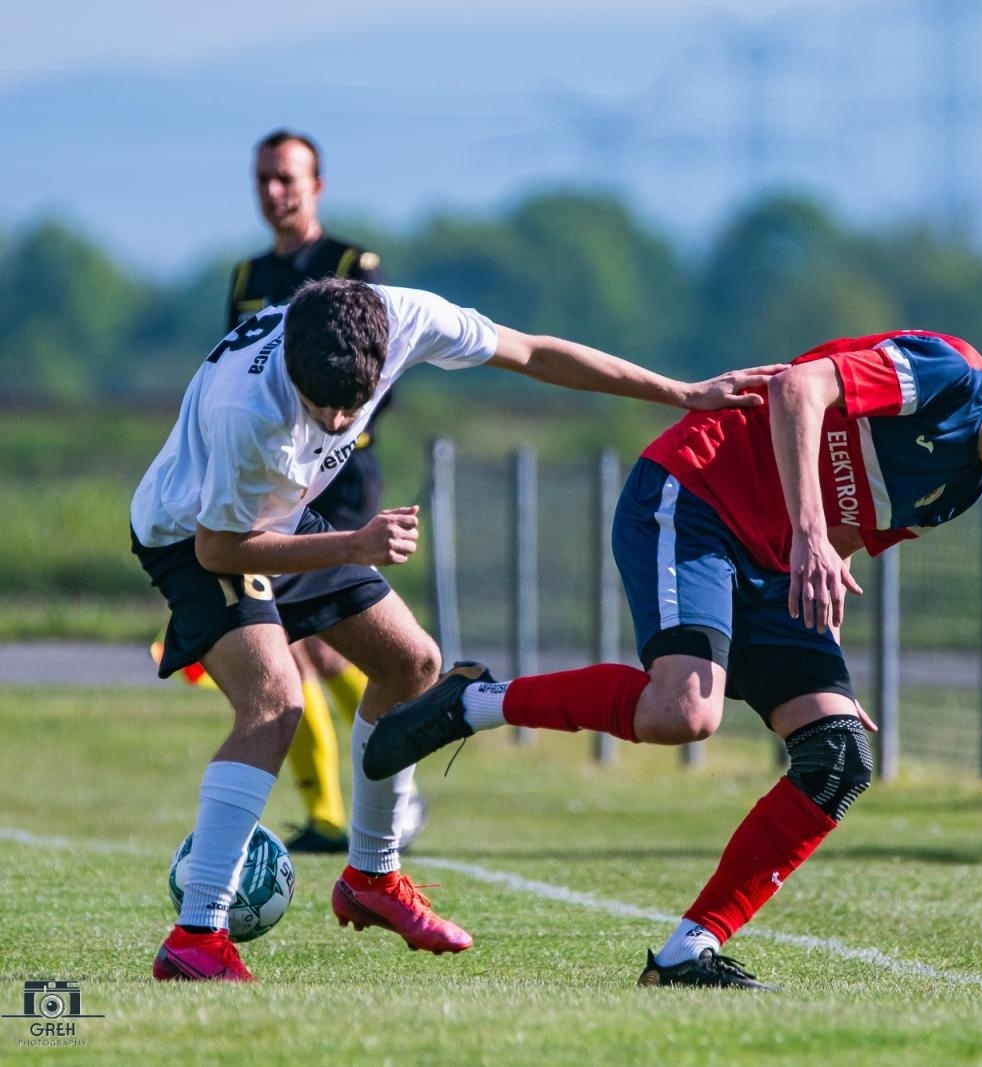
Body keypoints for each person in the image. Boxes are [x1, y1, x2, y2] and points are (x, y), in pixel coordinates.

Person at [364, 335, 982, 989]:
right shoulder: (947, 373)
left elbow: (835, 545)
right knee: (686, 712)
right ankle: (471, 701)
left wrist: (823, 674)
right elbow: (799, 390)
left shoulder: (961, 491)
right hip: (693, 494)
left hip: (771, 563)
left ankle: (686, 951)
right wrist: (809, 535)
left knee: (839, 756)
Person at [132, 277, 779, 982]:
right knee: (275, 701)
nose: (341, 421)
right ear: (292, 366)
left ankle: (371, 877)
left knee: (412, 664)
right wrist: (353, 544)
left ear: (383, 356)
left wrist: (681, 392)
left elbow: (533, 354)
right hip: (190, 531)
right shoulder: (246, 410)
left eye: (356, 404)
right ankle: (196, 934)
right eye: (324, 408)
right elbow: (218, 550)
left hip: (278, 519)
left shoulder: (405, 317)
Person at [234, 128, 391, 854]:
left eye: (288, 178)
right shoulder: (245, 278)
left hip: (341, 478)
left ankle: (386, 768)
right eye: (265, 178)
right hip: (274, 484)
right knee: (302, 648)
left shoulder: (350, 264)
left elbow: (375, 371)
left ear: (317, 185)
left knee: (320, 644)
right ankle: (336, 807)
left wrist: (329, 435)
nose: (275, 191)